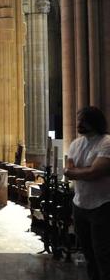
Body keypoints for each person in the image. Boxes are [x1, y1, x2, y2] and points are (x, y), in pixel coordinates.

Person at [64, 106, 110, 280]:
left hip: (102, 205)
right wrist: (84, 171)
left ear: (95, 122)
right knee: (88, 253)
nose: (79, 124)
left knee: (103, 254)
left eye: (84, 120)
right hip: (79, 205)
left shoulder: (106, 142)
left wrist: (79, 172)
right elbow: (69, 170)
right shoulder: (76, 144)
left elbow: (95, 172)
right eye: (79, 120)